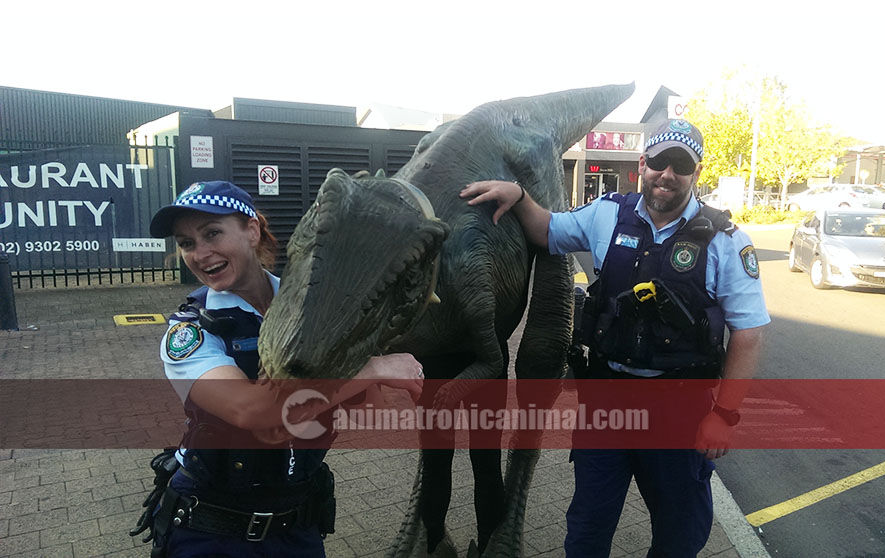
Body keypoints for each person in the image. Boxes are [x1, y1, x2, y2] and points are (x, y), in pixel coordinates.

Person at [460, 118, 769, 557]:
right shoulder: (608, 212)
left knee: (679, 535)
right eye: (659, 162)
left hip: (679, 410)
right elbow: (547, 231)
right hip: (606, 403)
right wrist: (519, 196)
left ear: (696, 173)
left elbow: (749, 334)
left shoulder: (724, 241)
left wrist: (724, 415)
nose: (668, 175)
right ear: (642, 164)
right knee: (587, 528)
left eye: (681, 165)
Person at [131, 180, 424, 557]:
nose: (200, 253)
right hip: (210, 532)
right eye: (187, 243)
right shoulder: (191, 331)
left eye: (212, 234)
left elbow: (356, 402)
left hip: (297, 524)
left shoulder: (314, 309)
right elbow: (253, 411)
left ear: (252, 231)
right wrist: (372, 369)